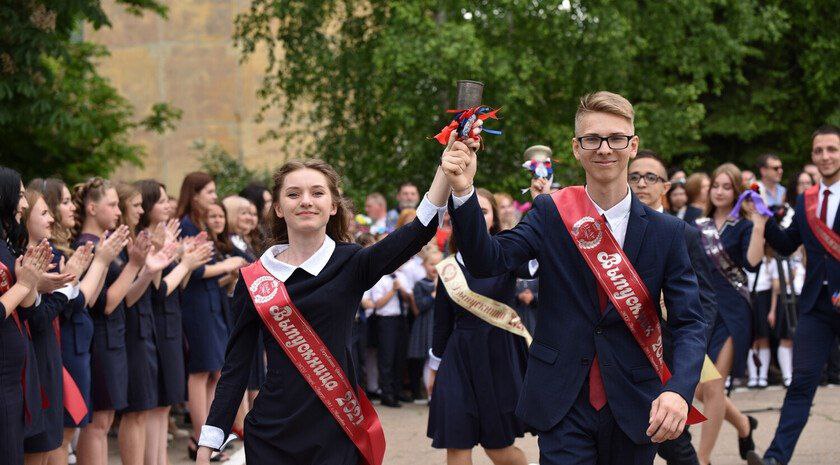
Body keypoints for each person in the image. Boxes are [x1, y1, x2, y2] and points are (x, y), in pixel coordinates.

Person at [442, 91, 707, 465]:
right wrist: (464, 190)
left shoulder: (668, 232)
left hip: (635, 402)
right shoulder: (552, 212)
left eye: (616, 138)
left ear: (633, 146)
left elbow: (690, 323)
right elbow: (489, 261)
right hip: (562, 399)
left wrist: (679, 390)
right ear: (576, 148)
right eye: (592, 139)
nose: (604, 149)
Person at [197, 154, 454, 464]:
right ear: (278, 208)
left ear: (333, 206)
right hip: (271, 436)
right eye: (293, 194)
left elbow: (417, 231)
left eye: (317, 192)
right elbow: (236, 367)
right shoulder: (254, 279)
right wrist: (208, 442)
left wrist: (446, 167)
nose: (306, 201)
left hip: (338, 431)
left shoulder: (352, 262)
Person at [748, 125, 840, 465]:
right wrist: (763, 215)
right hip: (816, 305)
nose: (826, 156)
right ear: (812, 156)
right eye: (819, 151)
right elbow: (787, 245)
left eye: (832, 149)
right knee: (801, 384)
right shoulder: (807, 199)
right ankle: (775, 458)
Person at [427, 187, 533, 465]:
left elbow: (536, 260)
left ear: (493, 220)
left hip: (497, 356)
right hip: (458, 358)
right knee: (457, 445)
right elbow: (442, 323)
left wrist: (540, 202)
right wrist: (434, 367)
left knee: (498, 449)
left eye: (482, 211)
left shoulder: (507, 255)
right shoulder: (448, 267)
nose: (473, 215)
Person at [628, 152, 721, 465]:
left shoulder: (682, 233)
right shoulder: (607, 231)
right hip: (620, 354)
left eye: (650, 177)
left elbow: (704, 300)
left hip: (666, 354)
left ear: (665, 187)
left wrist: (692, 347)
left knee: (672, 441)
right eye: (634, 176)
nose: (641, 183)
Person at [135, 179, 213, 465]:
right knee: (156, 404)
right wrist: (184, 263)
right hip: (156, 322)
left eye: (168, 199)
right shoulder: (145, 238)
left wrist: (185, 259)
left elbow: (178, 285)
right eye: (161, 201)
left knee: (164, 404)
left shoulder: (164, 235)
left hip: (171, 320)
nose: (168, 205)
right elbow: (159, 290)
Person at [695, 163, 766, 463]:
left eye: (727, 186)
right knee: (700, 388)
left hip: (733, 311)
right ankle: (744, 424)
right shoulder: (698, 224)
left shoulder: (743, 226)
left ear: (736, 191)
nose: (720, 191)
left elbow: (752, 263)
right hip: (701, 311)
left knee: (713, 386)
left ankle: (702, 458)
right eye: (716, 186)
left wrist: (760, 223)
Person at [20, 189, 94, 465]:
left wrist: (68, 281)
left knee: (55, 439)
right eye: (45, 212)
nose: (52, 218)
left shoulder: (45, 254)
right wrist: (67, 285)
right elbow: (38, 317)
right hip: (36, 359)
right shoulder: (23, 258)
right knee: (45, 445)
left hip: (51, 354)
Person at [176, 173, 247, 459]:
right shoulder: (186, 225)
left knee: (214, 373)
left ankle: (210, 436)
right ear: (194, 195)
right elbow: (193, 270)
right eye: (209, 192)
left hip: (212, 304)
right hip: (196, 306)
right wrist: (228, 264)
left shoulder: (199, 224)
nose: (213, 197)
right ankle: (199, 438)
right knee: (200, 373)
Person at [72, 178, 140, 465]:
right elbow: (106, 303)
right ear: (91, 207)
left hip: (113, 337)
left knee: (106, 418)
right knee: (98, 422)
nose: (117, 211)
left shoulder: (104, 244)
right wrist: (135, 265)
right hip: (99, 337)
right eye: (111, 205)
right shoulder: (87, 247)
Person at [0, 167, 54, 465]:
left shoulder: (7, 247)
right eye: (20, 196)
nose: (24, 204)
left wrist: (33, 284)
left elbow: (28, 307)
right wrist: (24, 285)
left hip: (15, 376)